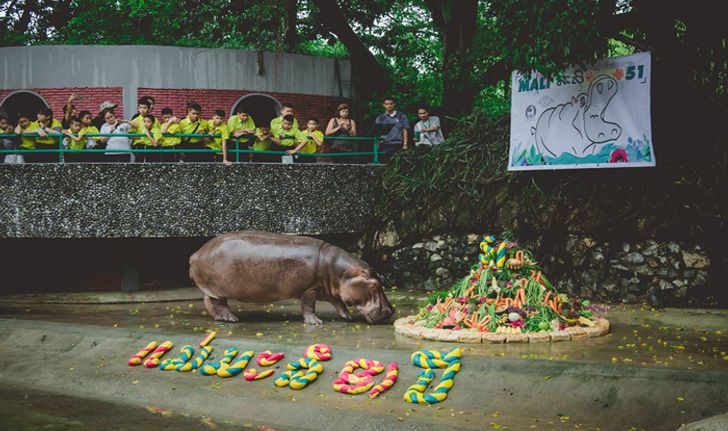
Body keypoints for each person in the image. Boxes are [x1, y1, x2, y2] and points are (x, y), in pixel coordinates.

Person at [374, 97, 410, 163]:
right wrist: (377, 146)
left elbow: (405, 130)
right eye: (387, 104)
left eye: (391, 104)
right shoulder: (380, 117)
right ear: (384, 105)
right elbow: (377, 132)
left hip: (398, 144)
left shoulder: (401, 116)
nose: (389, 106)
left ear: (394, 104)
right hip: (385, 144)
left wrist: (405, 144)